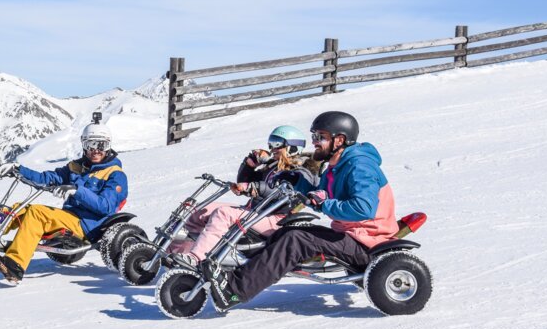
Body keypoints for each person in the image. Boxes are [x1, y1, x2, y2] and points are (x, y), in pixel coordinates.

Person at [203, 111, 400, 312]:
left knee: (296, 240)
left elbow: (362, 208)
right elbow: (317, 193)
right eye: (314, 136)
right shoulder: (335, 165)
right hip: (352, 234)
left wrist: (324, 204)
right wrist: (297, 182)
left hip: (370, 241)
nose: (314, 142)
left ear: (339, 140)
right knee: (286, 232)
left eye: (320, 137)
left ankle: (233, 291)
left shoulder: (360, 166)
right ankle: (240, 274)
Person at [0, 115, 128, 284]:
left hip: (88, 225)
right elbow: (48, 178)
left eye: (101, 145)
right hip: (68, 217)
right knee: (19, 209)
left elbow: (106, 207)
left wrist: (77, 191)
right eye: (91, 145)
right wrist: (18, 170)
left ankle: (15, 264)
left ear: (108, 145)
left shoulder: (115, 175)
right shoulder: (76, 167)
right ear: (84, 145)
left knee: (37, 213)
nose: (96, 150)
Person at [168, 125, 321, 268]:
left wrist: (255, 187)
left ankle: (196, 258)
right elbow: (245, 182)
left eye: (277, 143)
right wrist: (249, 164)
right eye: (271, 143)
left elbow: (281, 191)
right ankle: (177, 253)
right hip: (255, 211)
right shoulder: (273, 166)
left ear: (292, 147)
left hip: (276, 219)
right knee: (201, 210)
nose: (271, 148)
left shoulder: (301, 172)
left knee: (224, 214)